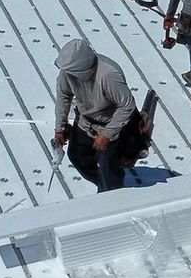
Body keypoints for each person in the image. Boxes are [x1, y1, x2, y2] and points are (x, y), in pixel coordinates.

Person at [52, 39, 141, 192]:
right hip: (85, 122)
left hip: (111, 125)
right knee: (77, 156)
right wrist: (60, 128)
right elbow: (63, 96)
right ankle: (103, 185)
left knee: (108, 166)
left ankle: (111, 192)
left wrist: (107, 134)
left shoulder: (108, 75)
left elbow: (127, 105)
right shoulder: (68, 72)